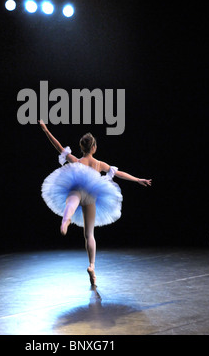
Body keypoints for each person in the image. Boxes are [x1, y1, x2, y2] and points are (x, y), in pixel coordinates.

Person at [39, 120, 152, 286]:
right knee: (89, 234)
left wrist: (46, 130)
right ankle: (92, 266)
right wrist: (137, 179)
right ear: (94, 147)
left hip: (78, 189)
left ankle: (66, 218)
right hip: (91, 196)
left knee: (71, 198)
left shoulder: (76, 161)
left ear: (82, 148)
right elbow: (119, 173)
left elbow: (58, 147)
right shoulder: (99, 164)